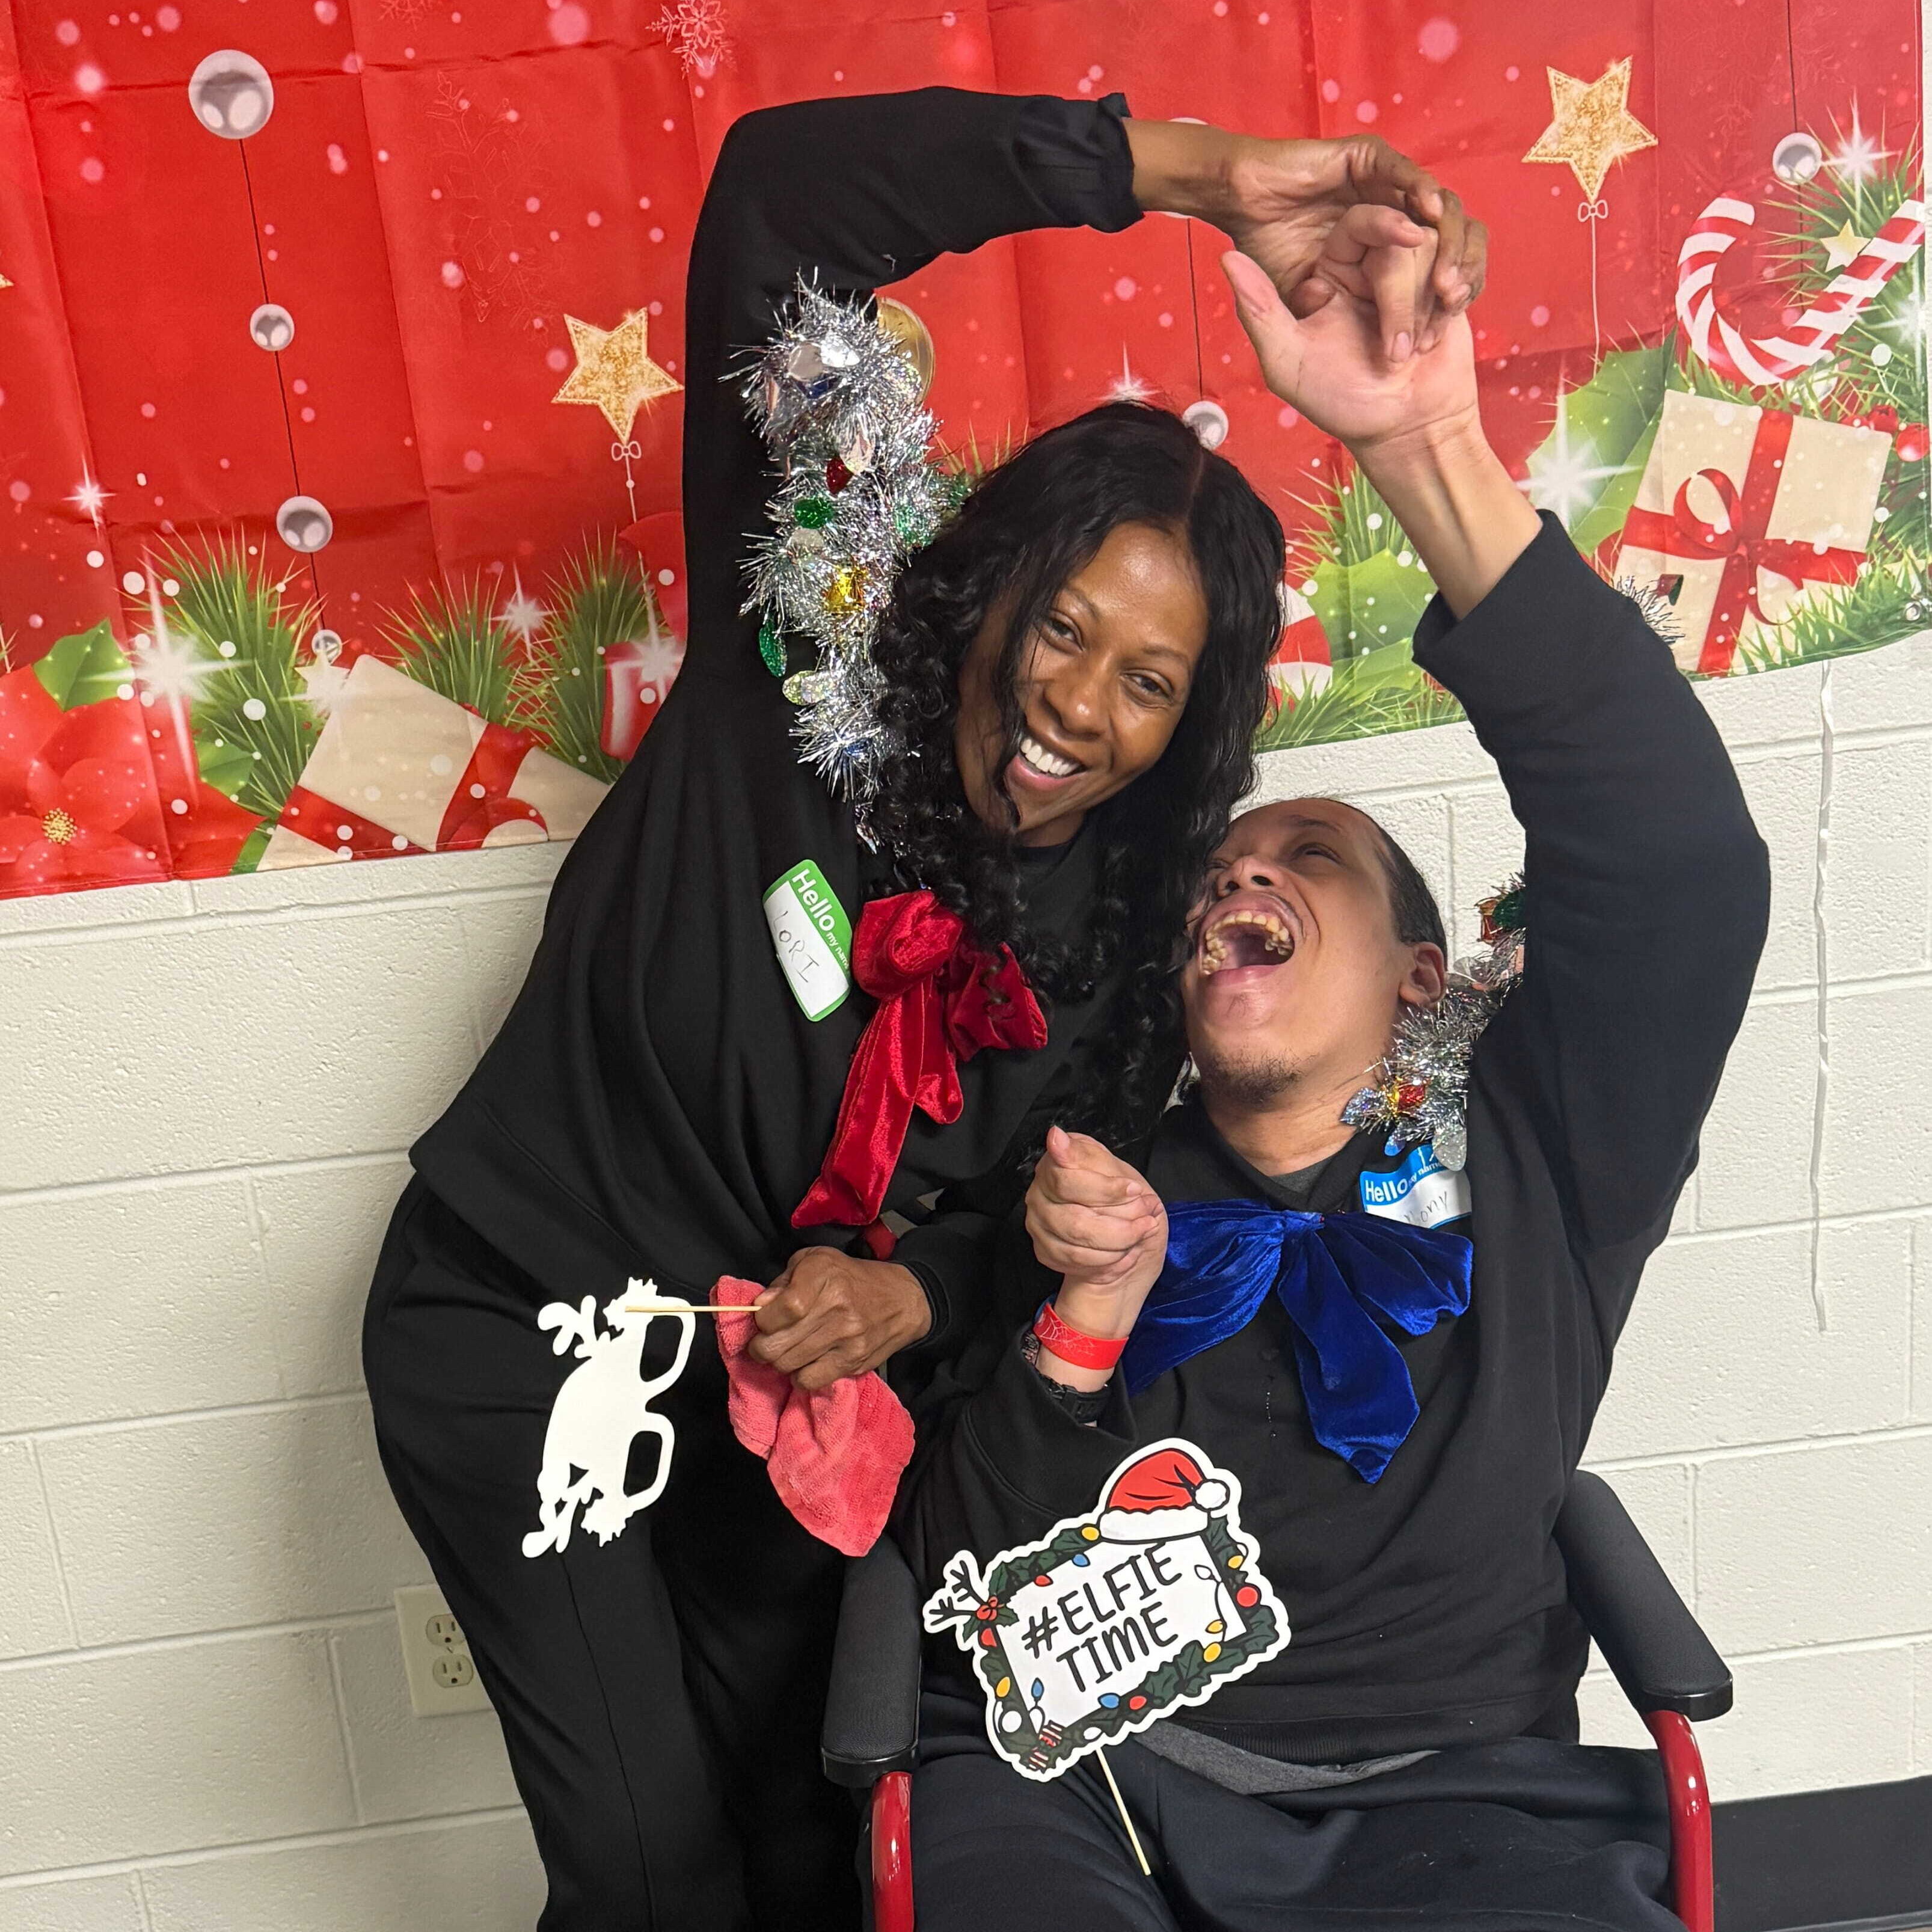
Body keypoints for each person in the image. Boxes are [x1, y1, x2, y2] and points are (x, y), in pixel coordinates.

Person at [360, 85, 1487, 1932]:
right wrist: (1191, 179)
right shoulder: (799, 651)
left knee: (812, 1842)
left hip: (782, 1406)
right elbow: (778, 204)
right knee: (651, 1871)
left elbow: (1029, 1237)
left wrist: (910, 1288)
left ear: (1186, 722)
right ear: (991, 587)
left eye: (1146, 682)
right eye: (1062, 627)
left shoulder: (1125, 929)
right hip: (527, 1330)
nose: (1077, 706)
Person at [894, 216, 1771, 1929]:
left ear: (1420, 975)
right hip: (1102, 1801)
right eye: (1220, 869)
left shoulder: (1543, 1141)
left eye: (1306, 860)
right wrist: (1080, 1322)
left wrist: (1424, 448)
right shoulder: (1097, 1181)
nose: (1240, 878)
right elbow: (961, 1576)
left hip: (1466, 1806)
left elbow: (1678, 866)